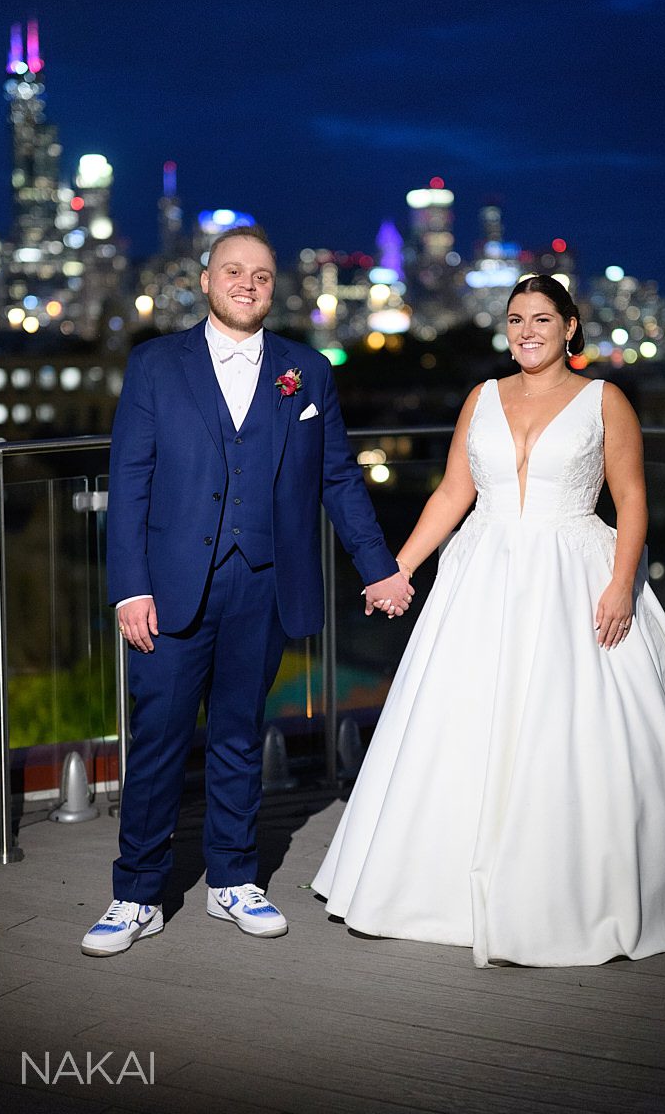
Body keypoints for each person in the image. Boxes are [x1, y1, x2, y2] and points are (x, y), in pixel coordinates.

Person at [313, 274, 665, 968]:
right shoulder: (480, 397)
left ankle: (563, 895)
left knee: (565, 727)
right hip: (481, 573)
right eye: (516, 320)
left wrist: (621, 584)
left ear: (570, 327)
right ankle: (435, 889)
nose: (528, 331)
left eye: (543, 319)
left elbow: (631, 500)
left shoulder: (607, 401)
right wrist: (400, 568)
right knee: (462, 724)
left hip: (574, 573)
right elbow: (454, 491)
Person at [82, 225, 413, 956]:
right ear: (205, 280)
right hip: (167, 592)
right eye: (233, 271)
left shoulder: (307, 371)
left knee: (237, 736)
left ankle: (234, 879)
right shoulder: (156, 365)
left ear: (274, 288)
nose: (247, 284)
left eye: (261, 276)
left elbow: (337, 479)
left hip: (263, 584)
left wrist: (379, 565)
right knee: (160, 737)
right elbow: (129, 480)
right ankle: (136, 892)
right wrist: (129, 588)